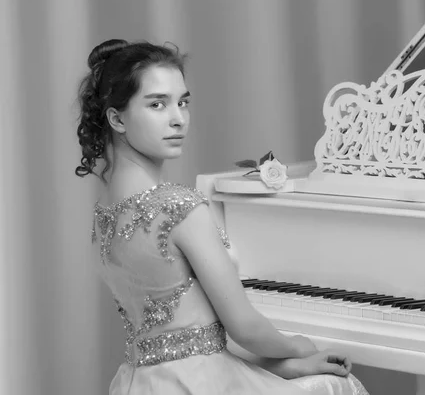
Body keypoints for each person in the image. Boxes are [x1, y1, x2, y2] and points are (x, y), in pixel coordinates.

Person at [75, 38, 369, 395]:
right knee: (339, 386)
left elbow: (187, 340)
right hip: (201, 383)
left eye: (183, 102)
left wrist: (288, 367)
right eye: (157, 104)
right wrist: (299, 346)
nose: (178, 118)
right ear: (117, 118)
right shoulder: (180, 209)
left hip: (141, 383)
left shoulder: (104, 215)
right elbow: (244, 328)